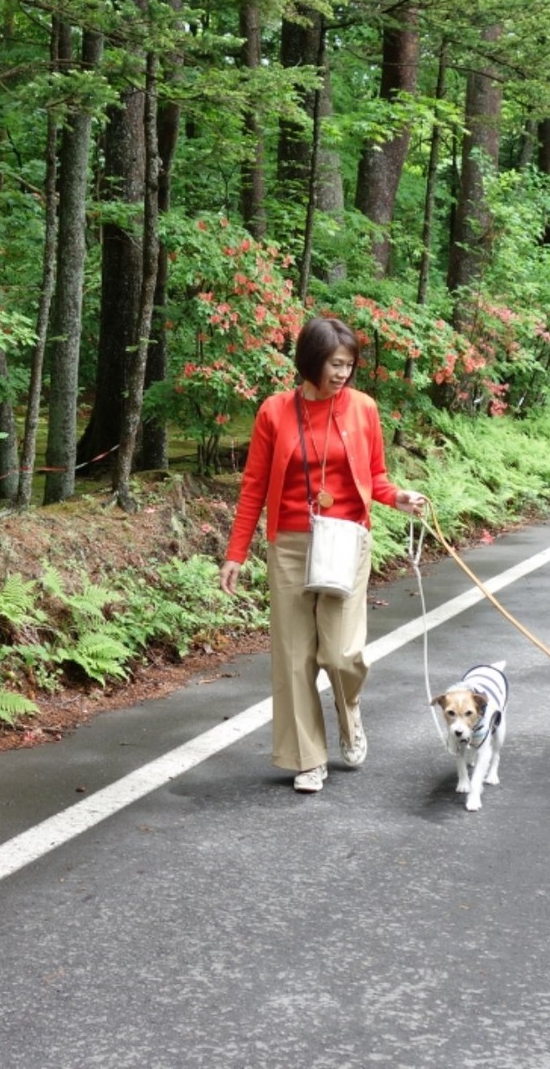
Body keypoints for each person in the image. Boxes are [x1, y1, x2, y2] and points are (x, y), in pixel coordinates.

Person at [218, 315, 427, 793]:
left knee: (341, 652)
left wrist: (398, 497)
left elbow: (375, 477)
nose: (343, 374)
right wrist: (237, 551)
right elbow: (253, 487)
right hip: (290, 543)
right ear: (312, 361)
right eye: (336, 364)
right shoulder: (274, 412)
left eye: (350, 366)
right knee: (294, 658)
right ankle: (307, 758)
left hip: (345, 539)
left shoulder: (363, 409)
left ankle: (348, 708)